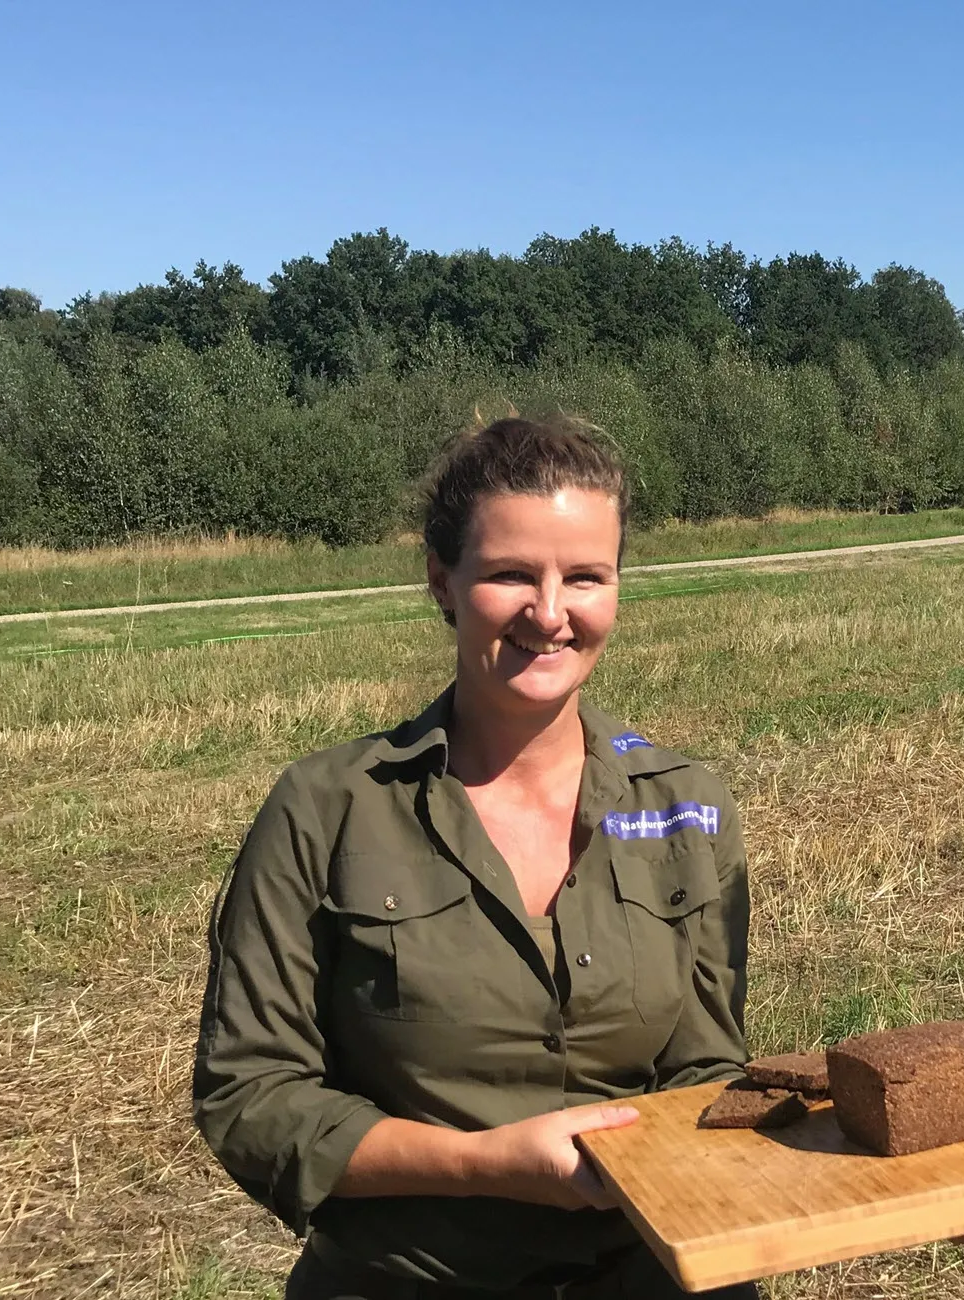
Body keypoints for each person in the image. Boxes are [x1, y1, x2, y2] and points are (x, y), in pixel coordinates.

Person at [195, 416, 758, 1299]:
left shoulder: (688, 804)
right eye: (508, 575)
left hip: (660, 1273)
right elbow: (252, 1097)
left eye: (585, 577)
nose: (550, 613)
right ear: (442, 582)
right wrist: (480, 1164)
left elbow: (706, 1072)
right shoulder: (326, 808)